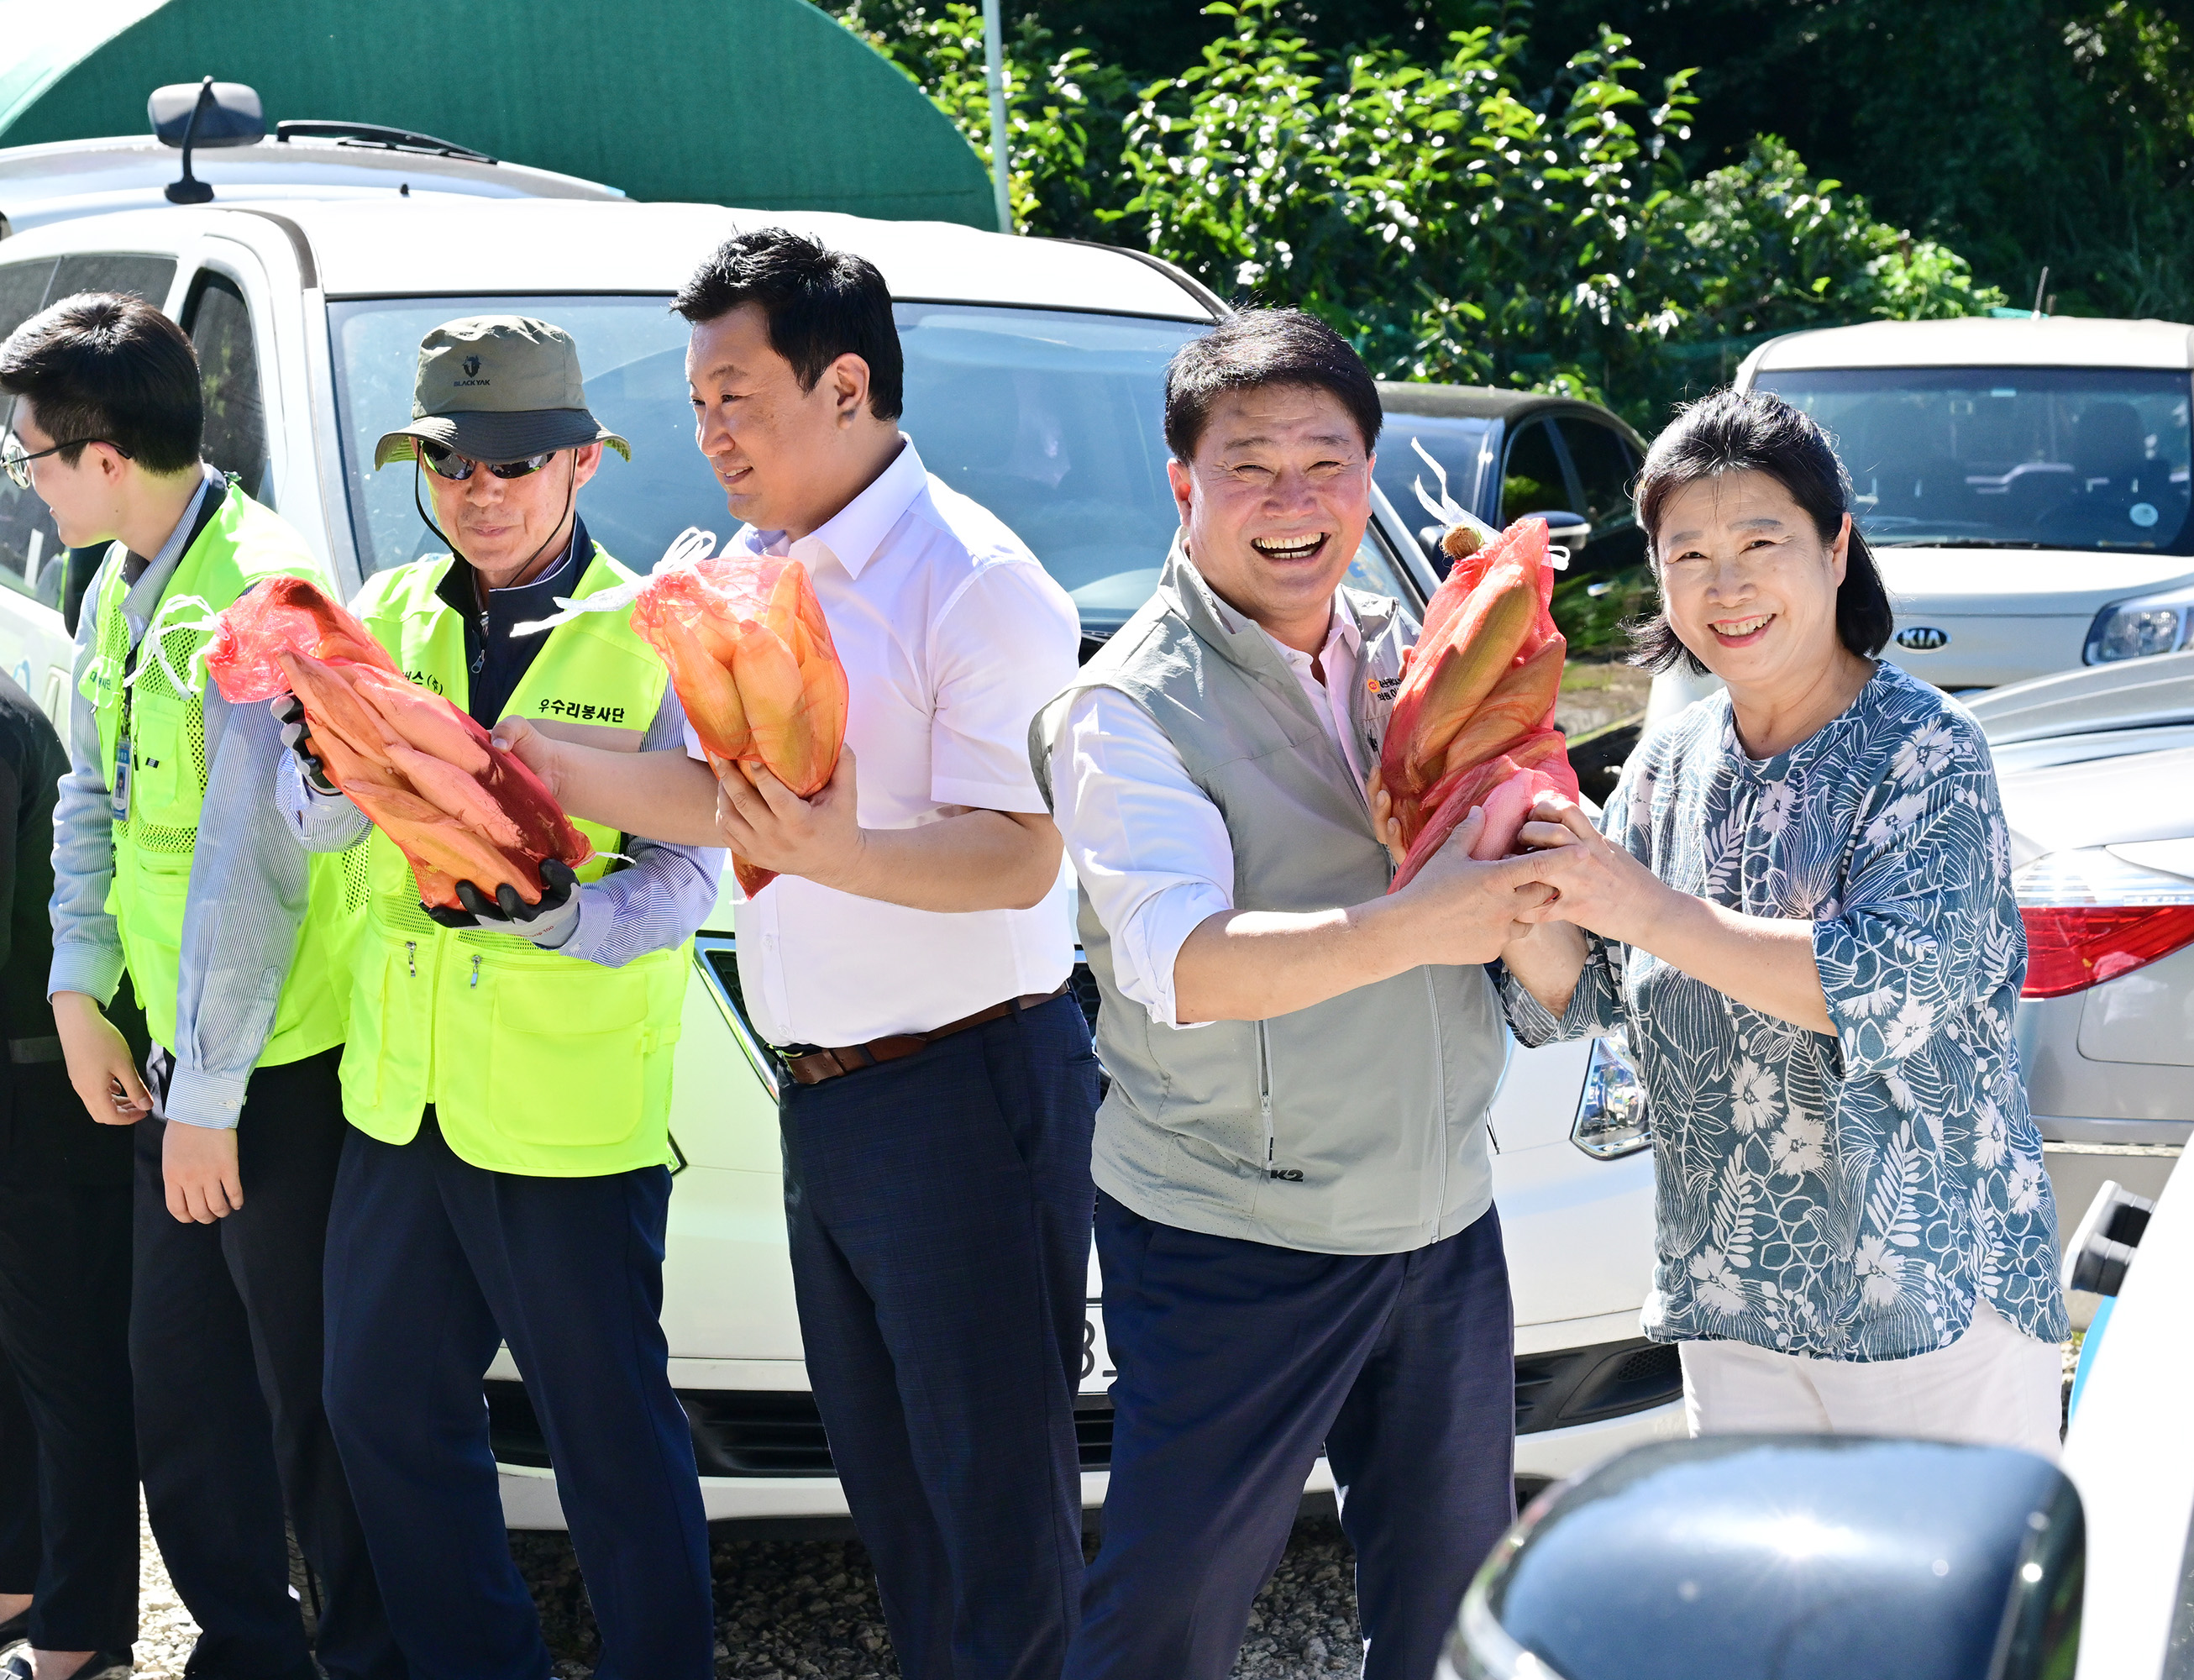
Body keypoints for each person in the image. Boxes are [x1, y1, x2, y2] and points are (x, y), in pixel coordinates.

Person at [497, 229, 1094, 1680]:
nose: (708, 435)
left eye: (733, 398)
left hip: (972, 1091)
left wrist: (838, 856)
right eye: (698, 404)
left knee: (996, 1522)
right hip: (826, 1094)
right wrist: (528, 766)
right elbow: (728, 805)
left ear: (845, 386)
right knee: (897, 1507)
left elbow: (1024, 852)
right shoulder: (766, 572)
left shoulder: (974, 581)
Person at [1029, 308, 1555, 1680]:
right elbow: (1187, 966)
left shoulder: (1409, 655)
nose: (1293, 502)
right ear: (1182, 483)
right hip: (1232, 1234)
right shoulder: (1124, 709)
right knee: (1166, 1622)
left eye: (1327, 461)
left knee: (1451, 1619)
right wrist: (1420, 919)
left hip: (1442, 1217)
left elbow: (1509, 877)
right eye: (1250, 465)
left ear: (1369, 474)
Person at [275, 316, 725, 1679]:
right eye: (451, 462)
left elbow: (694, 876)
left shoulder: (656, 636)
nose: (478, 490)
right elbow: (326, 843)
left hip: (564, 1113)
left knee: (608, 1437)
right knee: (378, 1410)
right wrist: (323, 770)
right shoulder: (388, 615)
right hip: (401, 1099)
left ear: (582, 463)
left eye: (514, 463)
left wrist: (567, 914)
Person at [1500, 388, 2069, 1454]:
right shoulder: (1668, 766)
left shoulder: (1929, 751)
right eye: (1689, 555)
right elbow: (1586, 991)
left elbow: (1880, 988)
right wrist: (1508, 857)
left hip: (1927, 1297)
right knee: (1777, 1621)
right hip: (1736, 1302)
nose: (1729, 585)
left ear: (1837, 547)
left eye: (1762, 541)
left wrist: (1642, 903)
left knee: (1954, 1619)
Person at [6, 292, 402, 1678]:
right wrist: (76, 986)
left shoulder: (258, 594)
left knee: (313, 1401)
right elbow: (94, 802)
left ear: (103, 454)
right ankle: (245, 1652)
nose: (28, 476)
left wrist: (212, 1104)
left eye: (33, 455)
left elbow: (253, 873)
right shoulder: (115, 579)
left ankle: (362, 1656)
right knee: (180, 1392)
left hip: (276, 1078)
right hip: (185, 1065)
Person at [0, 668, 139, 1680]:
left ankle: (82, 1629)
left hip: (49, 1098)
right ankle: (19, 1577)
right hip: (26, 1089)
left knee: (68, 1370)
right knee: (17, 1362)